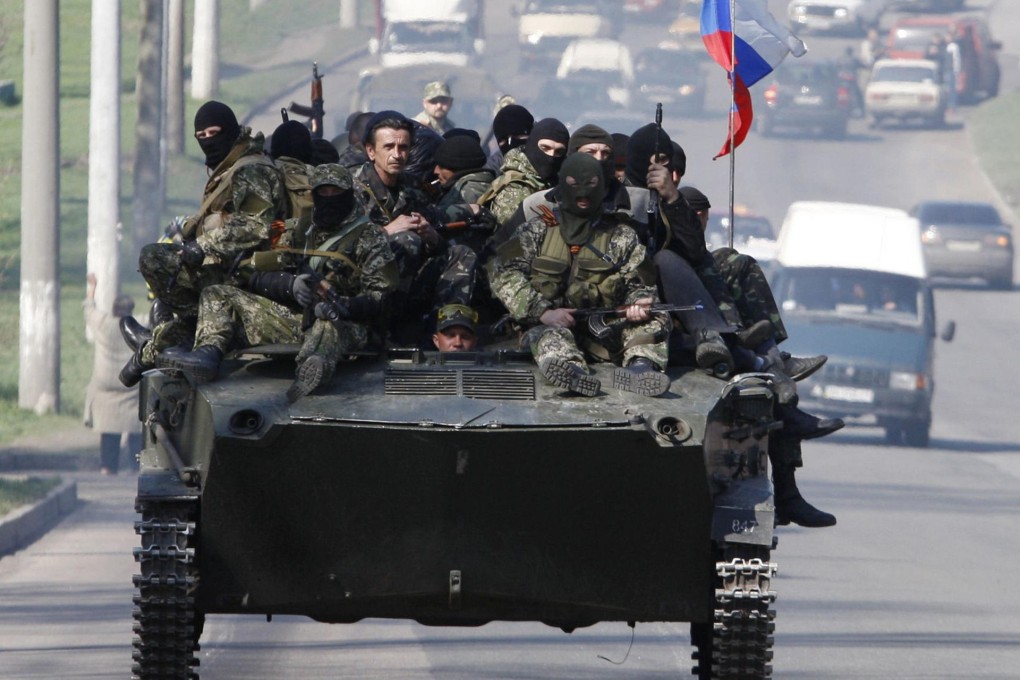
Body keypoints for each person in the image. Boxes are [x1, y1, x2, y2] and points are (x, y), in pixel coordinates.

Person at [160, 164, 398, 402]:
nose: (329, 199)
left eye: (335, 193)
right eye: (322, 193)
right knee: (216, 293)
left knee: (327, 324)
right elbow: (256, 274)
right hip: (295, 319)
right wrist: (291, 285)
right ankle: (207, 352)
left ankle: (311, 370)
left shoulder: (370, 237)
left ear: (348, 193)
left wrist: (341, 305)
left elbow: (381, 298)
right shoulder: (300, 230)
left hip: (347, 324)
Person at [120, 100, 287, 387]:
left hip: (252, 276)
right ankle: (163, 338)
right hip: (233, 270)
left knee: (155, 258)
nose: (209, 142)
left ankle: (157, 344)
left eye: (215, 133)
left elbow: (255, 225)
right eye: (202, 137)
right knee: (161, 259)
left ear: (232, 132)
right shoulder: (231, 168)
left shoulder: (251, 169)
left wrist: (202, 247)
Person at [490, 153, 672, 398]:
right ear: (563, 185)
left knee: (655, 319)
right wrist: (542, 312)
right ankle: (572, 372)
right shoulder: (533, 229)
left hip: (606, 328)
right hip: (547, 324)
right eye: (575, 184)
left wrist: (638, 302)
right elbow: (501, 272)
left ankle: (640, 368)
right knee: (548, 336)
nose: (583, 193)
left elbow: (641, 280)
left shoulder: (622, 235)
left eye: (592, 184)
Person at [352, 111, 476, 338]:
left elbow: (432, 228)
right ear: (371, 151)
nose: (397, 155)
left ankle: (444, 333)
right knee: (405, 240)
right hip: (361, 287)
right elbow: (335, 243)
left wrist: (431, 237)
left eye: (403, 148)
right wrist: (386, 231)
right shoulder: (351, 189)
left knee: (461, 253)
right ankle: (379, 332)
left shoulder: (410, 186)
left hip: (406, 284)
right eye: (388, 147)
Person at [83, 274, 142, 475]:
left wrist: (93, 287)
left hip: (106, 387)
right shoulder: (139, 325)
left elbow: (89, 308)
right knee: (136, 431)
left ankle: (108, 468)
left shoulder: (104, 324)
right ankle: (137, 467)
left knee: (109, 432)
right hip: (133, 386)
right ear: (131, 310)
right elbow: (157, 315)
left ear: (114, 309)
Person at [483, 117, 569, 226]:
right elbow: (510, 240)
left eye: (559, 151)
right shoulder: (515, 191)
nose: (551, 156)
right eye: (545, 148)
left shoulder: (556, 183)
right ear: (533, 145)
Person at [484, 103, 534, 173]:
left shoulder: (545, 156)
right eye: (503, 140)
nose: (510, 143)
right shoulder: (495, 164)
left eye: (518, 136)